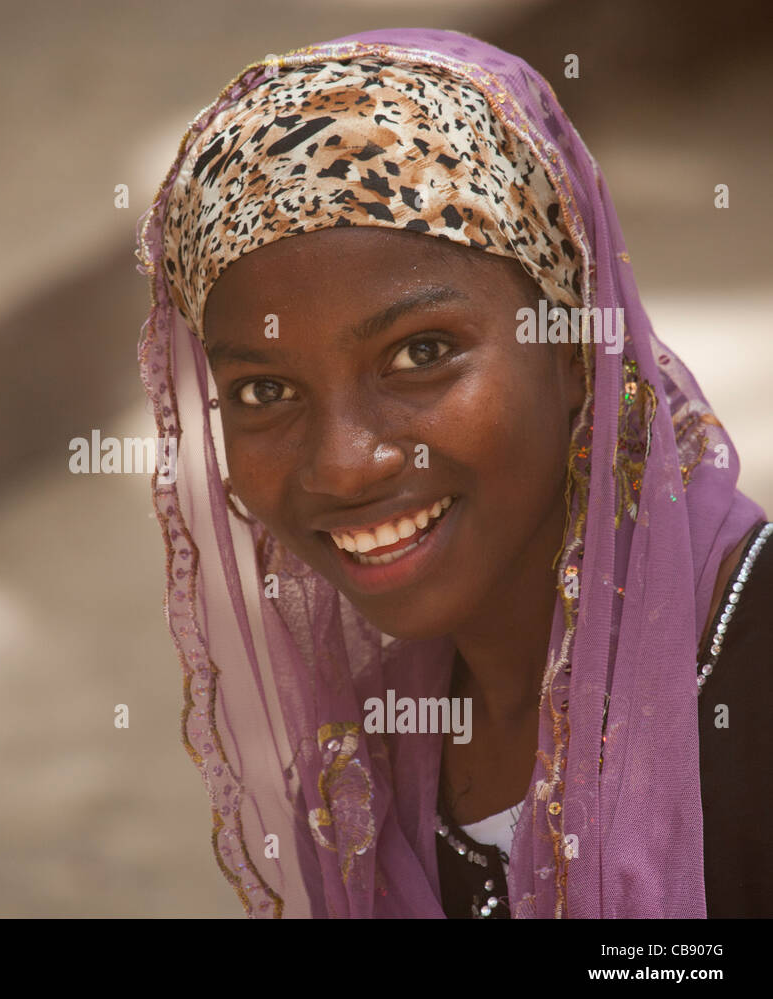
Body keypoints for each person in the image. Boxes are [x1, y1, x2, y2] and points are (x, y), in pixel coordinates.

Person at [134, 27, 771, 918]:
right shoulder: (381, 751)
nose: (344, 464)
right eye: (266, 388)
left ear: (574, 349)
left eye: (421, 352)